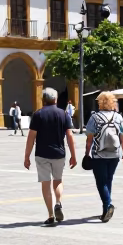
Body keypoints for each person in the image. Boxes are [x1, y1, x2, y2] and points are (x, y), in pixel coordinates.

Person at [24, 87, 76, 226]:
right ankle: (58, 203)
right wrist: (73, 155)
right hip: (59, 153)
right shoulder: (63, 114)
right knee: (58, 181)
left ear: (43, 100)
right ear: (56, 99)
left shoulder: (38, 114)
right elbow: (70, 136)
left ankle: (50, 215)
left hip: (42, 154)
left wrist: (26, 156)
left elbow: (31, 137)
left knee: (45, 184)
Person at [84, 90, 123, 222]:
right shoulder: (118, 117)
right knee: (108, 180)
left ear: (100, 103)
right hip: (115, 154)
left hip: (99, 154)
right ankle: (105, 211)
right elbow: (122, 138)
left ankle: (108, 205)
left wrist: (87, 153)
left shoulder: (94, 117)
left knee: (101, 182)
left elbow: (89, 139)